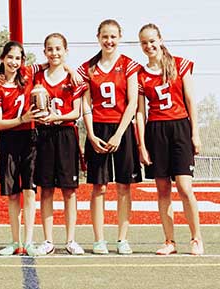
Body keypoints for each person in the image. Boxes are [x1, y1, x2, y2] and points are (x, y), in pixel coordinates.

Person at [136, 23, 204, 255]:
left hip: (179, 127)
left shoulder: (180, 65)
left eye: (152, 41)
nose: (149, 46)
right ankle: (169, 241)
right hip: (155, 131)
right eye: (144, 43)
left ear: (161, 40)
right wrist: (142, 144)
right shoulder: (141, 75)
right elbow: (140, 112)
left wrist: (195, 133)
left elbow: (191, 101)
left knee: (185, 187)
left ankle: (196, 238)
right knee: (162, 188)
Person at [78, 19, 142, 255]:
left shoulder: (129, 65)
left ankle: (122, 238)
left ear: (120, 37)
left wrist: (119, 133)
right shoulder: (88, 68)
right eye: (105, 36)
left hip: (122, 130)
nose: (109, 41)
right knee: (99, 187)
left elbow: (133, 102)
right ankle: (99, 239)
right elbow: (85, 103)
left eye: (113, 36)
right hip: (98, 129)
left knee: (124, 186)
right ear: (98, 37)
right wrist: (91, 134)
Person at [0, 41, 46, 256]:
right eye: (10, 57)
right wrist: (22, 118)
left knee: (29, 191)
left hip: (30, 139)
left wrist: (69, 69)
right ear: (3, 58)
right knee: (13, 194)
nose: (14, 62)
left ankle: (29, 241)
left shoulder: (28, 76)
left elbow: (51, 63)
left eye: (18, 58)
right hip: (9, 140)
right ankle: (15, 242)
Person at [34, 33, 86, 255]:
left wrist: (56, 117)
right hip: (44, 135)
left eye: (58, 49)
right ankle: (48, 240)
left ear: (66, 51)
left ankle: (71, 239)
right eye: (50, 49)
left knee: (69, 190)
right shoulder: (38, 77)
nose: (54, 53)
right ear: (45, 52)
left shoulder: (72, 79)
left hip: (65, 134)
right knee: (46, 189)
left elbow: (77, 111)